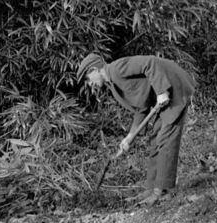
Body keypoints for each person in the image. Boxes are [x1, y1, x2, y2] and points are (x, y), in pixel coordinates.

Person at [79, 52, 195, 205]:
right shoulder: (113, 85)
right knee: (155, 140)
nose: (89, 84)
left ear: (94, 69)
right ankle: (152, 188)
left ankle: (163, 191)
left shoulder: (116, 69)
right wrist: (130, 136)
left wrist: (161, 91)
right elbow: (141, 107)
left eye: (87, 79)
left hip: (174, 87)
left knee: (165, 138)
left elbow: (149, 63)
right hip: (165, 96)